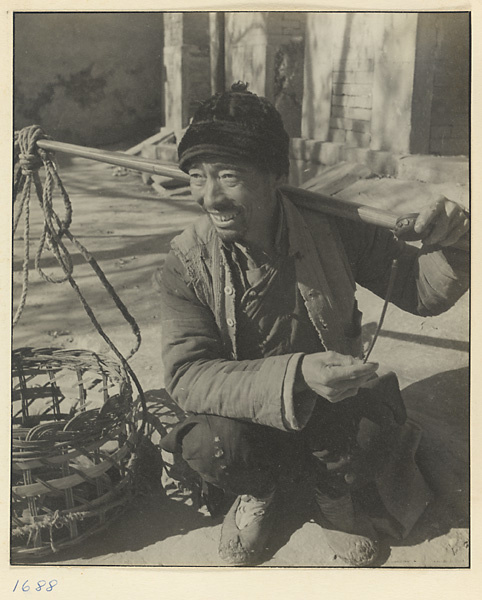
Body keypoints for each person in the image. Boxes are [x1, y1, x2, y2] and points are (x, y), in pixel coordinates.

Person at [158, 82, 469, 566]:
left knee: (374, 432)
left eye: (228, 176)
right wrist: (297, 373)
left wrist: (456, 242)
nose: (210, 197)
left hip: (333, 405)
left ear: (275, 175)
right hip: (245, 418)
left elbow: (420, 292)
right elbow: (186, 376)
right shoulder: (186, 261)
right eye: (198, 177)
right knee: (208, 445)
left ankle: (332, 500)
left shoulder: (334, 227)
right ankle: (260, 491)